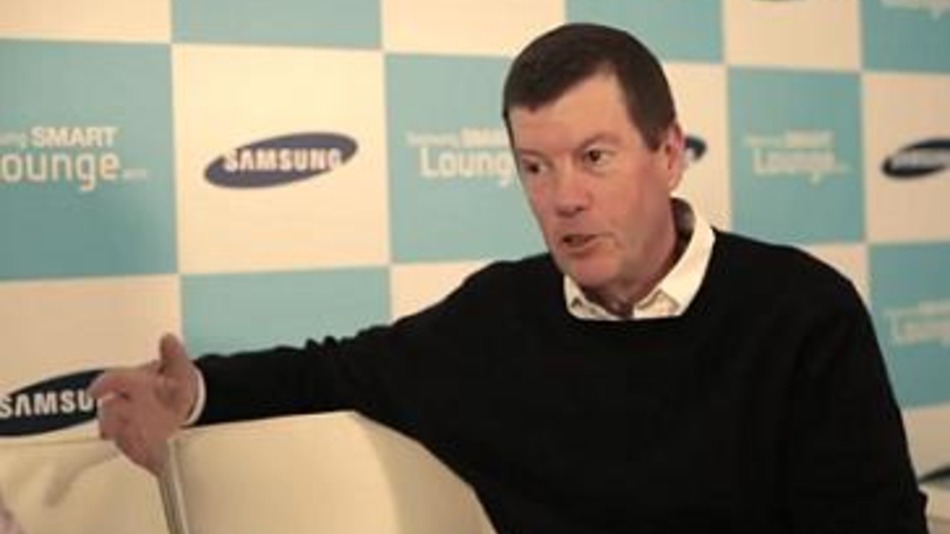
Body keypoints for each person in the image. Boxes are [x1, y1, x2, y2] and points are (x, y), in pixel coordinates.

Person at [91, 23, 928, 533]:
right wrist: (193, 394)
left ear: (669, 153)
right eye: (535, 165)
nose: (563, 198)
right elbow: (331, 371)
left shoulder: (800, 314)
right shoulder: (497, 318)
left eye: (594, 157)